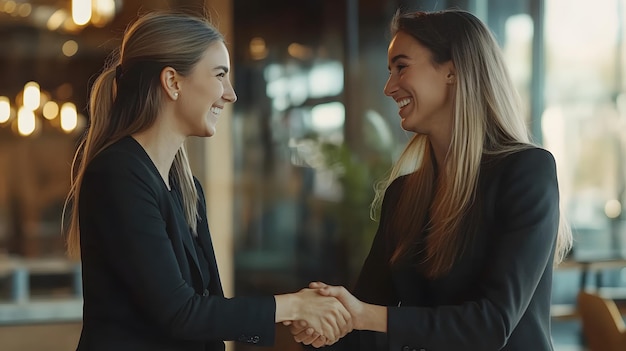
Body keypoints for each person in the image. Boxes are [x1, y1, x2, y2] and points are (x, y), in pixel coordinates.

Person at [62, 11, 351, 351]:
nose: (230, 94)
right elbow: (180, 312)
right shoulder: (118, 173)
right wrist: (294, 306)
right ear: (172, 82)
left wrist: (289, 318)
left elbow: (207, 313)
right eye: (219, 75)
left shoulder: (187, 188)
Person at [287, 9, 573, 351]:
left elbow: (490, 327)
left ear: (453, 70)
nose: (389, 87)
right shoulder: (403, 194)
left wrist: (359, 316)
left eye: (401, 67)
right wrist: (320, 322)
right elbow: (364, 316)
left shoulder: (527, 171)